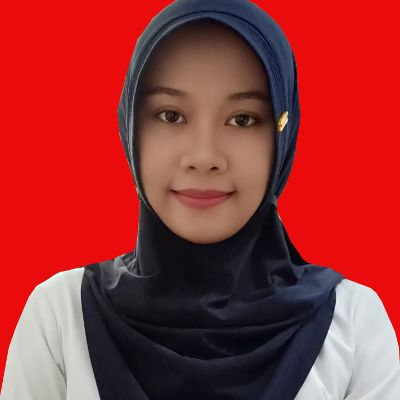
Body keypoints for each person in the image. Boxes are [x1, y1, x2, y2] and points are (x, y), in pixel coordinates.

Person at [2, 0, 399, 399]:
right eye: (171, 115)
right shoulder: (62, 317)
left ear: (282, 135)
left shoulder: (351, 323)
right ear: (131, 128)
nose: (204, 156)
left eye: (242, 119)